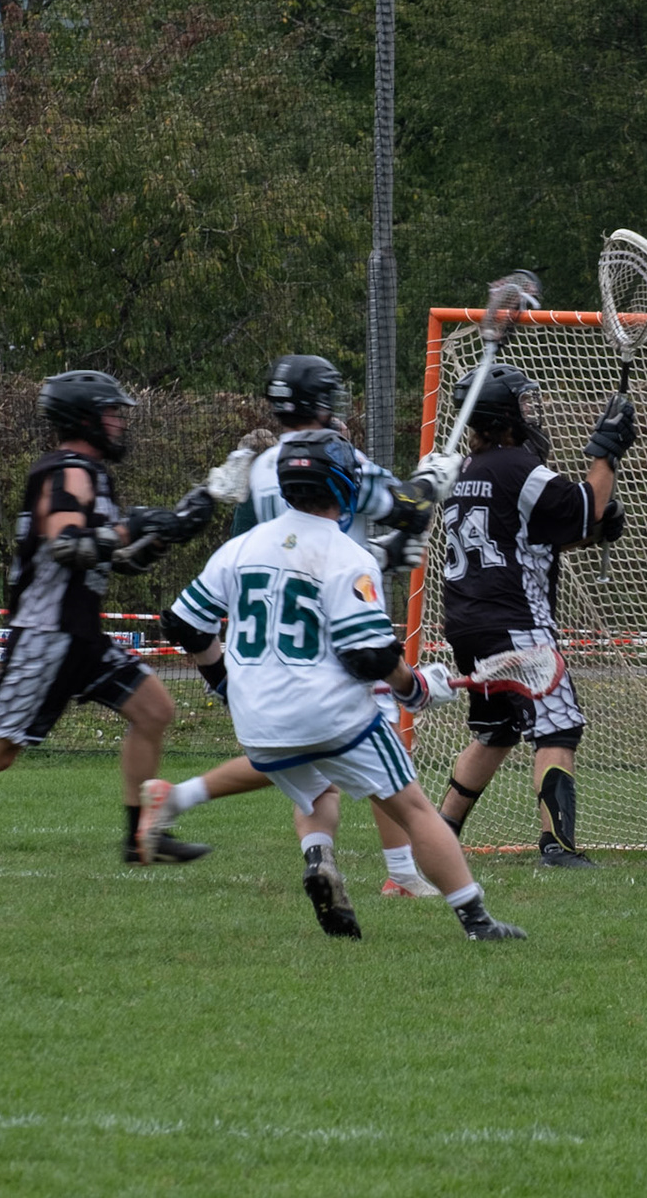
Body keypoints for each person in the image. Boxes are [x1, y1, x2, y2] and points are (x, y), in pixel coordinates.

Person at [174, 427, 525, 940]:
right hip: (329, 716)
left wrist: (224, 683)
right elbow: (368, 655)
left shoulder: (241, 547)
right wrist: (414, 688)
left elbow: (184, 624)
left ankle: (318, 857)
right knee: (413, 809)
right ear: (341, 484)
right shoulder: (346, 554)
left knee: (317, 792)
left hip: (257, 726)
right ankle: (477, 920)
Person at [0, 370, 216, 876]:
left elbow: (118, 561)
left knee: (154, 710)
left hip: (81, 636)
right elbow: (68, 545)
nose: (119, 423)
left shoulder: (91, 475)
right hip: (47, 635)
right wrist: (133, 526)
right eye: (111, 413)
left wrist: (171, 530)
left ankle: (141, 838)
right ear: (84, 418)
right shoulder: (67, 470)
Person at [139, 355, 444, 896]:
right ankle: (403, 874)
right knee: (373, 749)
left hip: (269, 630)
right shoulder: (335, 457)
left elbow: (287, 545)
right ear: (321, 402)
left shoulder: (263, 467)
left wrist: (219, 675)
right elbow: (405, 510)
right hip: (334, 629)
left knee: (301, 756)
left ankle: (347, 860)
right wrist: (432, 480)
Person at [432, 363, 635, 867]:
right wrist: (606, 450)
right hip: (516, 623)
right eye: (524, 403)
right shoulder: (517, 466)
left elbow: (524, 537)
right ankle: (557, 846)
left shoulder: (464, 470)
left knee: (496, 731)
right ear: (503, 413)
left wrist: (590, 531)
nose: (532, 411)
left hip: (468, 622)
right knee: (558, 728)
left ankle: (438, 833)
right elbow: (586, 505)